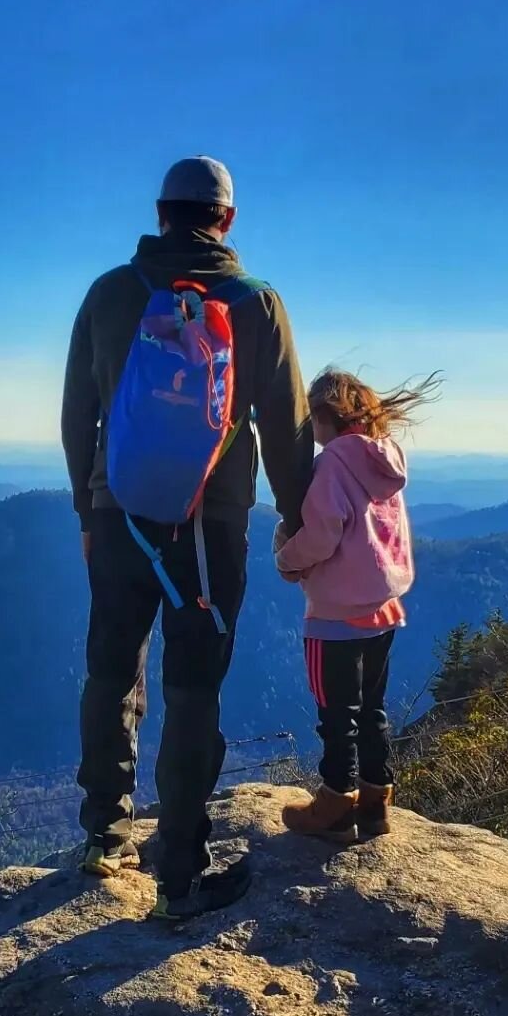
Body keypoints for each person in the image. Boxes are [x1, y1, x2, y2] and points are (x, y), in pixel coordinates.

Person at [62, 155, 313, 920]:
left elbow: (80, 416)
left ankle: (105, 836)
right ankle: (179, 876)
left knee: (111, 665)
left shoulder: (110, 294)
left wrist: (86, 507)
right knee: (194, 684)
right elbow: (289, 432)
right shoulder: (258, 303)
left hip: (117, 515)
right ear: (227, 220)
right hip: (208, 528)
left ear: (160, 210)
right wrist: (299, 521)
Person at [273, 368, 436, 841]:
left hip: (336, 614)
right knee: (372, 709)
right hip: (383, 608)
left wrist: (286, 558)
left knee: (335, 714)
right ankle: (375, 802)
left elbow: (322, 535)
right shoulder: (385, 463)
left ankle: (335, 805)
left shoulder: (331, 467)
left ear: (324, 417)